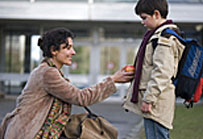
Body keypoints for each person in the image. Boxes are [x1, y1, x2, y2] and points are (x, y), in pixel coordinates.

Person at [0, 27, 134, 139]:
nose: (73, 52)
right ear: (54, 50)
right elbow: (81, 97)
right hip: (28, 134)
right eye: (68, 48)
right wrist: (113, 80)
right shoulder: (47, 73)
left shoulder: (51, 71)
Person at [122, 0, 185, 138]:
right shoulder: (156, 35)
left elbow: (162, 72)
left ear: (156, 14)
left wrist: (149, 99)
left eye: (144, 18)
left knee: (157, 135)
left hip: (157, 100)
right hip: (155, 99)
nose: (142, 22)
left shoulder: (165, 38)